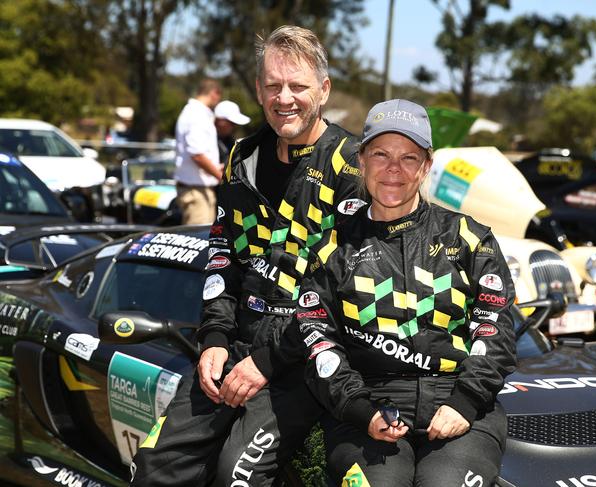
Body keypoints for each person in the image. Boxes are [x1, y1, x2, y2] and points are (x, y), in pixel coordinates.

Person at [130, 25, 364, 487]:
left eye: (298, 86)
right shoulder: (243, 156)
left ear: (323, 89)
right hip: (235, 345)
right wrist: (214, 337)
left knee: (236, 474)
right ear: (258, 89)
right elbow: (223, 253)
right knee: (154, 463)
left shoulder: (352, 163)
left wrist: (267, 361)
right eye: (273, 85)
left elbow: (345, 288)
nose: (285, 98)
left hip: (305, 359)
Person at [292, 99, 517, 486]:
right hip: (366, 408)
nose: (393, 169)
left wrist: (464, 403)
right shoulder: (330, 245)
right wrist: (363, 410)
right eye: (381, 154)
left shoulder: (468, 238)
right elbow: (317, 341)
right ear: (361, 161)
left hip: (461, 404)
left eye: (409, 157)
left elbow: (494, 332)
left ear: (426, 166)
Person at [174, 78, 223, 225]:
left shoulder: (194, 113)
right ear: (214, 93)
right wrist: (221, 177)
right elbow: (197, 155)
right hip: (196, 192)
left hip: (197, 189)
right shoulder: (197, 115)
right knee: (199, 240)